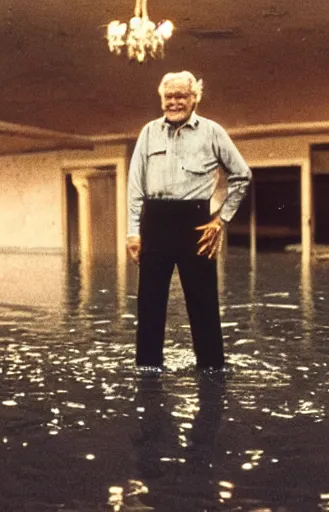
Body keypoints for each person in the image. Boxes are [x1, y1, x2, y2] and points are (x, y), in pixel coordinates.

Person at [126, 71, 252, 372]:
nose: (174, 102)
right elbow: (135, 186)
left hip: (197, 224)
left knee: (204, 303)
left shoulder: (212, 132)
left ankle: (211, 370)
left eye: (181, 96)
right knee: (149, 305)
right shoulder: (148, 133)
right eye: (168, 97)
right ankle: (147, 371)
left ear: (194, 98)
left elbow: (242, 174)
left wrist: (220, 220)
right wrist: (133, 232)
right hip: (154, 222)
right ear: (161, 99)